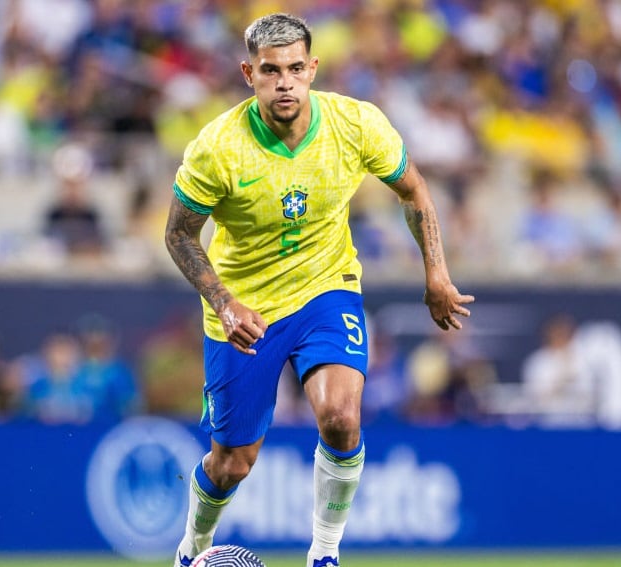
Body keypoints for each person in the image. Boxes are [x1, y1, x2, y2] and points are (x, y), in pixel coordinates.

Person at [163, 13, 474, 567]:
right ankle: (194, 546)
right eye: (270, 70)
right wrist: (223, 302)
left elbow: (414, 190)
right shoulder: (217, 149)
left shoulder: (355, 124)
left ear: (313, 68)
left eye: (294, 68)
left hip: (326, 289)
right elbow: (179, 234)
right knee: (232, 461)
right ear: (248, 73)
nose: (284, 82)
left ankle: (324, 554)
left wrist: (437, 274)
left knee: (340, 416)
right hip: (245, 309)